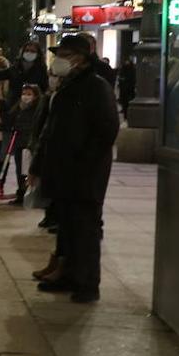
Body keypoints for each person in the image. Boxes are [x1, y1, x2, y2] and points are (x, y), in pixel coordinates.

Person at [29, 34, 120, 303]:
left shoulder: (95, 87)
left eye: (65, 55)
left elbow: (106, 131)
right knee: (67, 227)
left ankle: (88, 284)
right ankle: (68, 275)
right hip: (64, 171)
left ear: (79, 59)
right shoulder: (68, 86)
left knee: (85, 229)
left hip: (85, 173)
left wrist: (85, 162)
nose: (58, 60)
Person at [5, 83, 44, 204]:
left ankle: (28, 194)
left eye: (29, 94)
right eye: (24, 93)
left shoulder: (38, 109)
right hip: (19, 142)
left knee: (27, 171)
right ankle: (21, 193)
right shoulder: (20, 107)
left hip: (29, 144)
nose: (25, 96)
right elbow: (11, 117)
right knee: (20, 170)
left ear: (36, 96)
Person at [117, 55, 137, 120]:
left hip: (129, 89)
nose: (126, 62)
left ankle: (129, 115)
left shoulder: (131, 69)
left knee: (128, 103)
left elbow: (133, 79)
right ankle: (126, 115)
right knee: (125, 103)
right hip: (125, 89)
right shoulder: (124, 69)